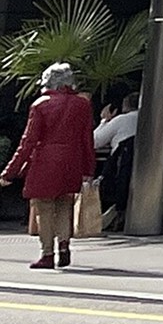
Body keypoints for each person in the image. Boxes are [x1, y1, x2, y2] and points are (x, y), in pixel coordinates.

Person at [5, 61, 100, 273]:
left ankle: (47, 253)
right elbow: (87, 140)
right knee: (65, 205)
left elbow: (28, 142)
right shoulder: (82, 105)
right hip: (72, 161)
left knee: (44, 208)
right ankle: (64, 245)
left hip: (45, 162)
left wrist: (10, 172)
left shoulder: (40, 104)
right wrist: (88, 169)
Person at [93, 93, 140, 233]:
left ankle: (114, 213)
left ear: (125, 106)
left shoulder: (122, 120)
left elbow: (95, 142)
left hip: (120, 169)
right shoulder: (151, 119)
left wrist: (104, 121)